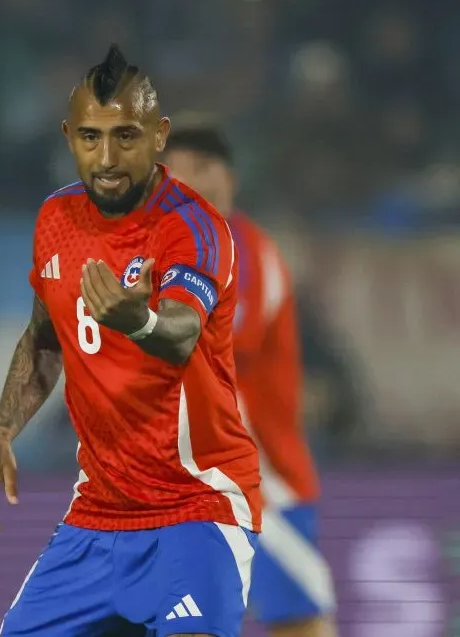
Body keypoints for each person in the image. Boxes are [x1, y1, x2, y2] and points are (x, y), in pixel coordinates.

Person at [0, 44, 262, 637]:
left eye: (125, 136)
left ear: (159, 136)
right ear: (67, 136)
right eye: (89, 137)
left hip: (196, 510)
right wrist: (2, 429)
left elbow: (182, 334)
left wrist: (140, 322)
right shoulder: (55, 219)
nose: (106, 157)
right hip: (96, 516)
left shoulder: (194, 227)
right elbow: (43, 341)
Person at [163, 124, 337, 637]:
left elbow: (217, 339)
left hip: (262, 479)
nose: (194, 181)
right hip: (189, 481)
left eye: (205, 169)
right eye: (181, 171)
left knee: (297, 622)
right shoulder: (163, 252)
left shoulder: (248, 251)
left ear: (231, 181)